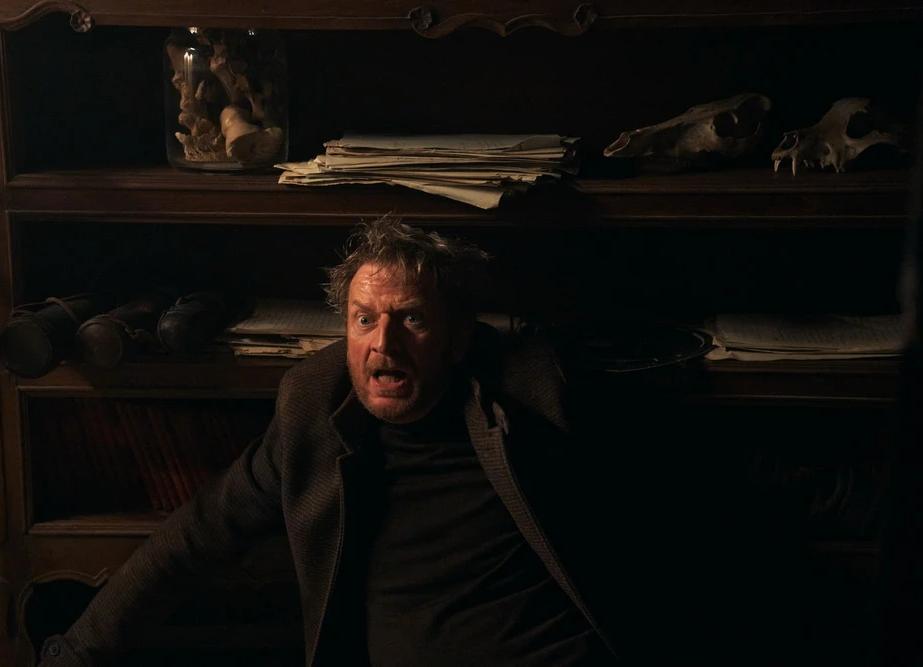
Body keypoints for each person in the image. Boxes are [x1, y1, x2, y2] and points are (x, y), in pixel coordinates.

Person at [39, 216, 623, 666]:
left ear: (458, 337)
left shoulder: (533, 392)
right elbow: (195, 537)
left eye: (412, 319)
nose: (384, 344)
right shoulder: (315, 409)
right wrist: (72, 657)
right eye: (365, 319)